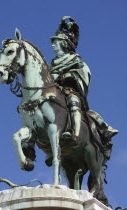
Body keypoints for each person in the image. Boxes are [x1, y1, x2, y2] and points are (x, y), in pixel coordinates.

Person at [49, 16, 118, 157]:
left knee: (73, 101)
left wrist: (67, 77)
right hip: (55, 93)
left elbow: (84, 74)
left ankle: (75, 134)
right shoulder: (51, 64)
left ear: (64, 44)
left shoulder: (75, 60)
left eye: (55, 43)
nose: (52, 46)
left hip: (70, 91)